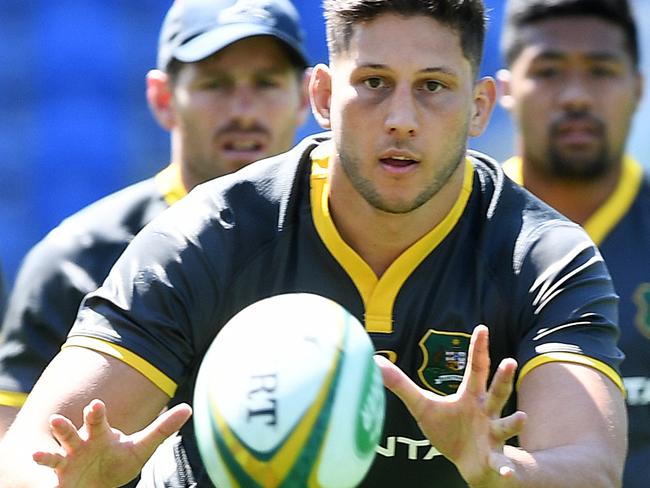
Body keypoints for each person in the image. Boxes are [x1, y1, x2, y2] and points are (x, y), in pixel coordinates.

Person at [0, 0, 628, 486]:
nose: (401, 117)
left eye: (433, 85)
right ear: (324, 96)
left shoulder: (543, 255)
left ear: (480, 106)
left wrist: (499, 472)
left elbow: (591, 465)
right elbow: (29, 457)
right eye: (374, 82)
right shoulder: (210, 233)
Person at [0, 0, 309, 437]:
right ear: (163, 99)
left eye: (266, 82)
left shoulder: (352, 239)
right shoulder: (74, 262)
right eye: (215, 84)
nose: (243, 110)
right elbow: (15, 452)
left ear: (306, 97)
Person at [497, 0, 648, 485]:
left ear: (638, 88)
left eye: (602, 70)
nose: (576, 96)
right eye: (548, 71)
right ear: (503, 91)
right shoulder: (452, 232)